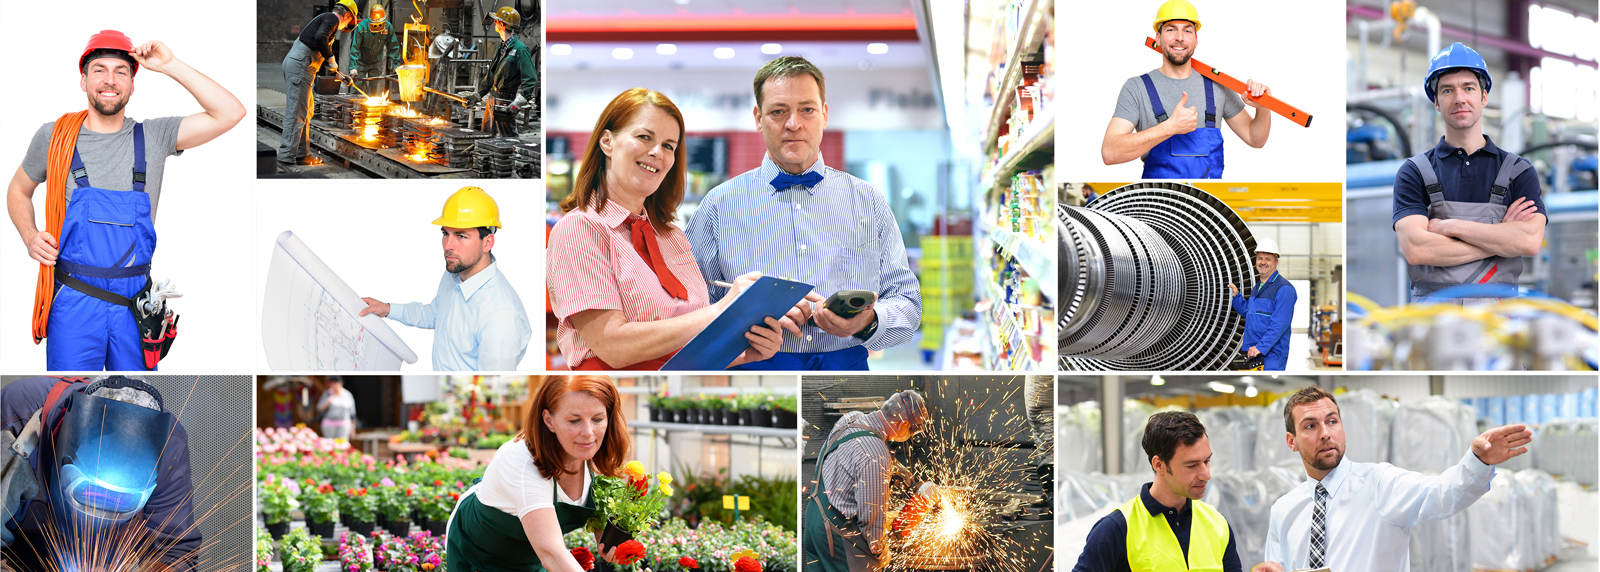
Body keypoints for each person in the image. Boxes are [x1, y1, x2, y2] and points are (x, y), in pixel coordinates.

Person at [7, 30, 245, 371]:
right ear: (83, 80)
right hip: (72, 300)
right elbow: (18, 190)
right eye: (99, 70)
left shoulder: (155, 136)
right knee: (71, 401)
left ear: (133, 84)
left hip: (135, 306)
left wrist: (171, 65)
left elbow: (231, 112)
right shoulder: (54, 137)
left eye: (121, 71)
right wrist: (29, 236)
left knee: (134, 401)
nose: (110, 80)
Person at [688, 56, 923, 370]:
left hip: (847, 369)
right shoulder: (719, 205)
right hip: (752, 367)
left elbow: (908, 303)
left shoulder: (868, 201)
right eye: (778, 111)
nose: (793, 123)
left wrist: (866, 323)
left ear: (824, 114)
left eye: (807, 109)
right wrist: (749, 317)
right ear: (758, 118)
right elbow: (689, 310)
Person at [547, 88, 802, 370]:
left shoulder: (672, 236)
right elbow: (613, 347)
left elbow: (685, 348)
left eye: (669, 145)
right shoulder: (578, 230)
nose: (657, 152)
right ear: (607, 141)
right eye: (645, 137)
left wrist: (744, 353)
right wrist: (721, 310)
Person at [1258, 386, 1533, 571]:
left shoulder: (1380, 484)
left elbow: (1441, 494)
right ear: (1291, 441)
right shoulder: (1284, 510)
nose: (1326, 433)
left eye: (1332, 421)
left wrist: (1478, 460)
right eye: (1310, 426)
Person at [1392, 42, 1544, 302]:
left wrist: (1450, 226)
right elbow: (1417, 249)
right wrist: (1500, 238)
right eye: (1447, 90)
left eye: (1469, 88)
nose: (1459, 98)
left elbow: (1528, 242)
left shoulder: (1518, 172)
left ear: (1483, 97)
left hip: (1498, 325)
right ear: (1437, 102)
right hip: (1433, 326)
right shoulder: (1413, 172)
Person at [0, 376, 200, 572]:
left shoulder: (169, 448)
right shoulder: (15, 415)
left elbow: (176, 551)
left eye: (119, 501)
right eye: (88, 493)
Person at [446, 375, 631, 572]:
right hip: (478, 554)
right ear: (549, 420)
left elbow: (599, 512)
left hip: (531, 557)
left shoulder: (595, 454)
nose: (588, 432)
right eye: (574, 420)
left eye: (597, 419)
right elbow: (552, 555)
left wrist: (609, 537)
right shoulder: (521, 462)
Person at [358, 186, 533, 371]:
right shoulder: (456, 273)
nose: (448, 245)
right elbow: (436, 313)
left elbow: (492, 386)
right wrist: (387, 309)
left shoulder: (500, 315)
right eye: (445, 234)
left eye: (461, 236)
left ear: (487, 242)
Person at [1099, 0, 1272, 179]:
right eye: (1171, 29)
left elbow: (1255, 138)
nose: (1180, 37)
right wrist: (1169, 127)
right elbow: (1110, 152)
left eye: (1187, 30)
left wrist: (1263, 107)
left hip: (1207, 202)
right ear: (1158, 38)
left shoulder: (1217, 87)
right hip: (1159, 202)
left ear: (1196, 40)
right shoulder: (1136, 88)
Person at [1073, 411, 1265, 572]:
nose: (1206, 475)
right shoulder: (1116, 529)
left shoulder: (1217, 523)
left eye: (1207, 461)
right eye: (1192, 465)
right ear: (1159, 464)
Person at [804, 390, 929, 572]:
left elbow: (850, 458)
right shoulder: (876, 454)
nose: (910, 435)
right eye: (911, 429)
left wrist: (894, 467)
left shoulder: (851, 418)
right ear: (902, 423)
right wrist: (881, 552)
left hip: (815, 522)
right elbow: (871, 519)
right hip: (839, 538)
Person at [279, 0, 359, 166]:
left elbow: (320, 47)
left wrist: (340, 75)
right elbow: (320, 38)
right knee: (296, 114)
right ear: (346, 15)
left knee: (306, 112)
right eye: (347, 24)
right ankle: (286, 156)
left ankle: (301, 154)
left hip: (303, 68)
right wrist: (331, 58)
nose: (344, 28)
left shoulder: (326, 20)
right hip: (300, 67)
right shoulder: (332, 18)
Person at [1228, 236, 1297, 371]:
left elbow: (1279, 325)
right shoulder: (1257, 288)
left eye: (1268, 259)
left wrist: (1260, 347)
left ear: (1276, 263)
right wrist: (1236, 297)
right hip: (1254, 353)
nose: (1263, 262)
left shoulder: (1284, 289)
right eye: (1260, 258)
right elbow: (1251, 314)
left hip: (1272, 356)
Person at [468, 7, 537, 137]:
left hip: (505, 102)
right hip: (492, 99)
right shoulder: (501, 47)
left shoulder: (520, 50)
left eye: (496, 21)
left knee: (508, 140)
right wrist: (478, 95)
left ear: (502, 24)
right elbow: (491, 75)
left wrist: (516, 105)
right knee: (487, 138)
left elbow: (531, 81)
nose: (494, 23)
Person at [348, 2, 400, 98]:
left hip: (376, 64)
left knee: (374, 94)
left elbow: (393, 46)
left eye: (380, 24)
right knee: (356, 90)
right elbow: (355, 48)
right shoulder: (361, 27)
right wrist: (353, 67)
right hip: (361, 64)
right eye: (375, 25)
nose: (378, 27)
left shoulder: (388, 27)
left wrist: (396, 65)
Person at [316, 376, 356, 440]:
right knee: (330, 444)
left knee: (343, 443)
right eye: (331, 383)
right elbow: (319, 408)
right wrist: (327, 402)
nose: (333, 385)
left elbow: (352, 413)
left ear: (340, 383)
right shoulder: (327, 394)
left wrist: (353, 428)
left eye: (334, 383)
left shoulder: (347, 395)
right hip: (329, 423)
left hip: (344, 423)